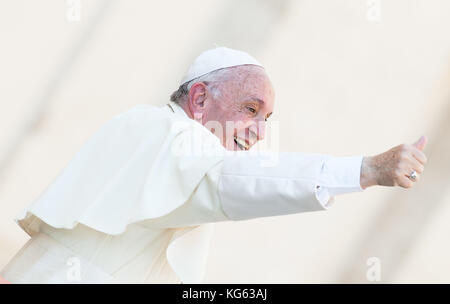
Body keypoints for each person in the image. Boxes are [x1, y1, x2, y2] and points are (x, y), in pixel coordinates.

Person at [0, 47, 428, 284]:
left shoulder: (162, 139)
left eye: (267, 119)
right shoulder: (166, 134)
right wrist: (364, 170)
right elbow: (229, 183)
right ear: (201, 99)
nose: (260, 131)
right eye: (250, 108)